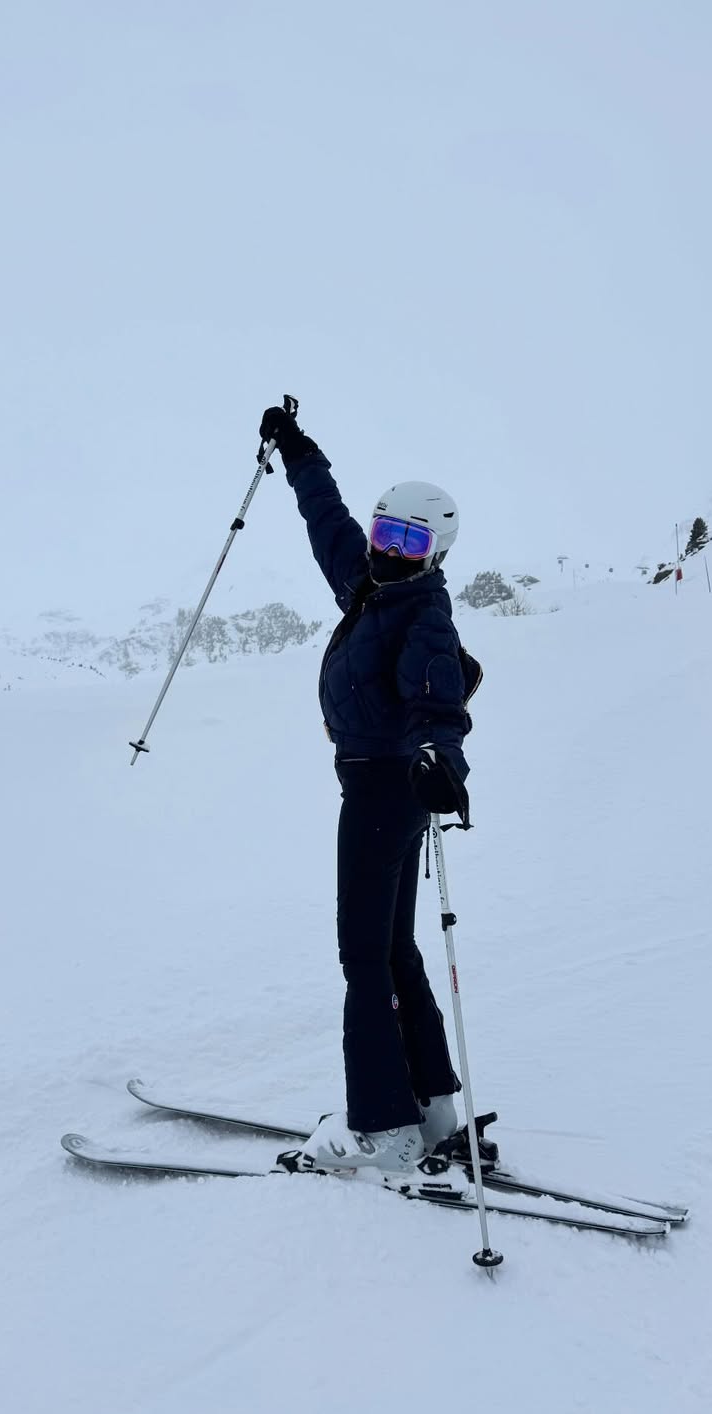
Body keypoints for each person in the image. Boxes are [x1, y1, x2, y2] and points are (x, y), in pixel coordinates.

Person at [259, 404, 481, 1175]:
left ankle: (380, 1127)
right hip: (380, 788)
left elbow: (437, 704)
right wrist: (296, 448)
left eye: (407, 541)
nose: (388, 548)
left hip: (389, 790)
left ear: (435, 550)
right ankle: (432, 1106)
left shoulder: (423, 613)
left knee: (363, 955)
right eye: (386, 532)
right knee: (390, 948)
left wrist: (437, 759)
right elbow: (327, 518)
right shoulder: (369, 586)